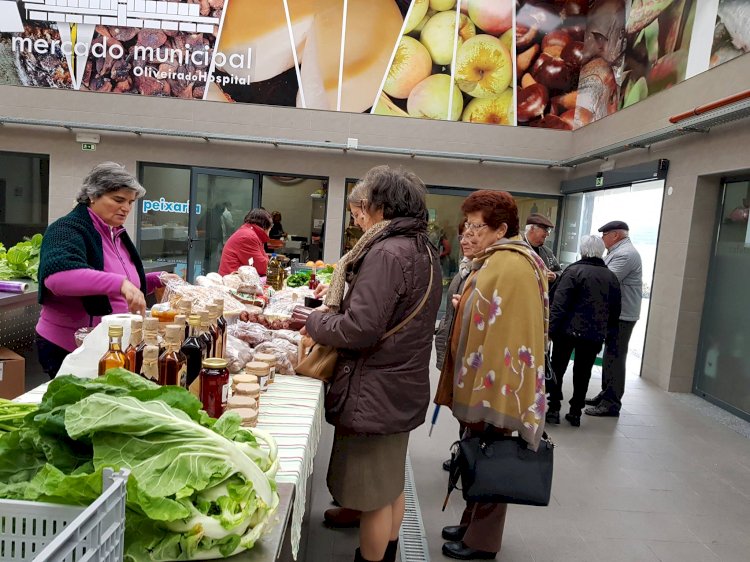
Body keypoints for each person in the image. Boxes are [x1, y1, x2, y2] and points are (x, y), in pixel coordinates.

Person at [303, 165, 441, 562]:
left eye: (362, 207)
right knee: (389, 479)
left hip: (376, 387)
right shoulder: (422, 247)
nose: (358, 215)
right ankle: (382, 540)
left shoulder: (386, 252)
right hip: (400, 381)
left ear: (382, 207)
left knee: (377, 492)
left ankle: (375, 556)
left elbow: (359, 329)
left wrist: (315, 320)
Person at [435, 191, 548, 561]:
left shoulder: (512, 264)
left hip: (500, 380)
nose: (471, 232)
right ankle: (472, 523)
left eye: (477, 226)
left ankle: (483, 541)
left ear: (501, 228)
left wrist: (464, 305)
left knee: (492, 455)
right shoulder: (499, 258)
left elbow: (509, 328)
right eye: (467, 225)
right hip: (494, 374)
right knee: (478, 453)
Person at [35, 162, 176, 379]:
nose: (126, 208)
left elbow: (124, 283)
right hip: (71, 346)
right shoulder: (67, 229)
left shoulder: (116, 235)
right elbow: (58, 278)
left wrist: (157, 280)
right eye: (118, 200)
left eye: (130, 202)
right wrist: (121, 284)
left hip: (109, 345)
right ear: (93, 196)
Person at [546, 235, 621, 427]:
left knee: (558, 368)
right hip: (593, 334)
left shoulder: (573, 272)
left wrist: (549, 330)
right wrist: (608, 333)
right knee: (583, 372)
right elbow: (615, 310)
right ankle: (575, 412)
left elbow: (559, 305)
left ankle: (554, 408)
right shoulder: (611, 277)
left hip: (566, 332)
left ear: (582, 250)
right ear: (601, 251)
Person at [585, 221, 642, 417]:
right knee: (610, 355)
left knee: (616, 357)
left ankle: (611, 402)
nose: (602, 239)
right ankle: (606, 393)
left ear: (615, 235)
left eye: (604, 235)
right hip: (617, 314)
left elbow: (606, 280)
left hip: (623, 316)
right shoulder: (617, 252)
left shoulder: (626, 254)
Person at [435, 221, 473, 472]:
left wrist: (465, 308)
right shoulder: (465, 269)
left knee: (469, 410)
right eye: (463, 235)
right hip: (454, 346)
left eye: (474, 234)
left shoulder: (482, 271)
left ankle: (469, 459)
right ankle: (465, 454)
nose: (466, 241)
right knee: (461, 410)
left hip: (470, 355)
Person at [218, 209, 272, 276]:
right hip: (233, 281)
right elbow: (263, 266)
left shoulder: (248, 233)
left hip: (233, 278)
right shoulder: (249, 237)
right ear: (265, 227)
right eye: (270, 229)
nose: (269, 233)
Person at [523, 213, 561, 288]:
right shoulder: (517, 249)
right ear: (532, 229)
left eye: (548, 231)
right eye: (545, 230)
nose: (547, 234)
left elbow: (559, 271)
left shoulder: (547, 252)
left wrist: (554, 276)